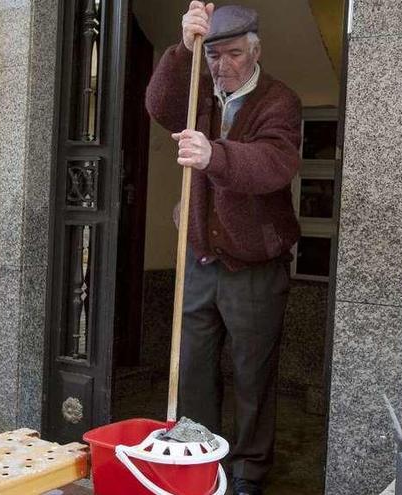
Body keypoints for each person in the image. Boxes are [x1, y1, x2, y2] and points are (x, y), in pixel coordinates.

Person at [145, 3, 303, 494]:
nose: (221, 65)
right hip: (200, 257)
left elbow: (275, 164)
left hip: (255, 264)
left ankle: (250, 472)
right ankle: (200, 461)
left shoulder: (279, 100)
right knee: (192, 368)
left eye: (233, 53)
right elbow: (159, 106)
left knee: (252, 375)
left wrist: (216, 154)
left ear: (255, 50)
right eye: (213, 55)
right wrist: (182, 49)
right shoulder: (197, 90)